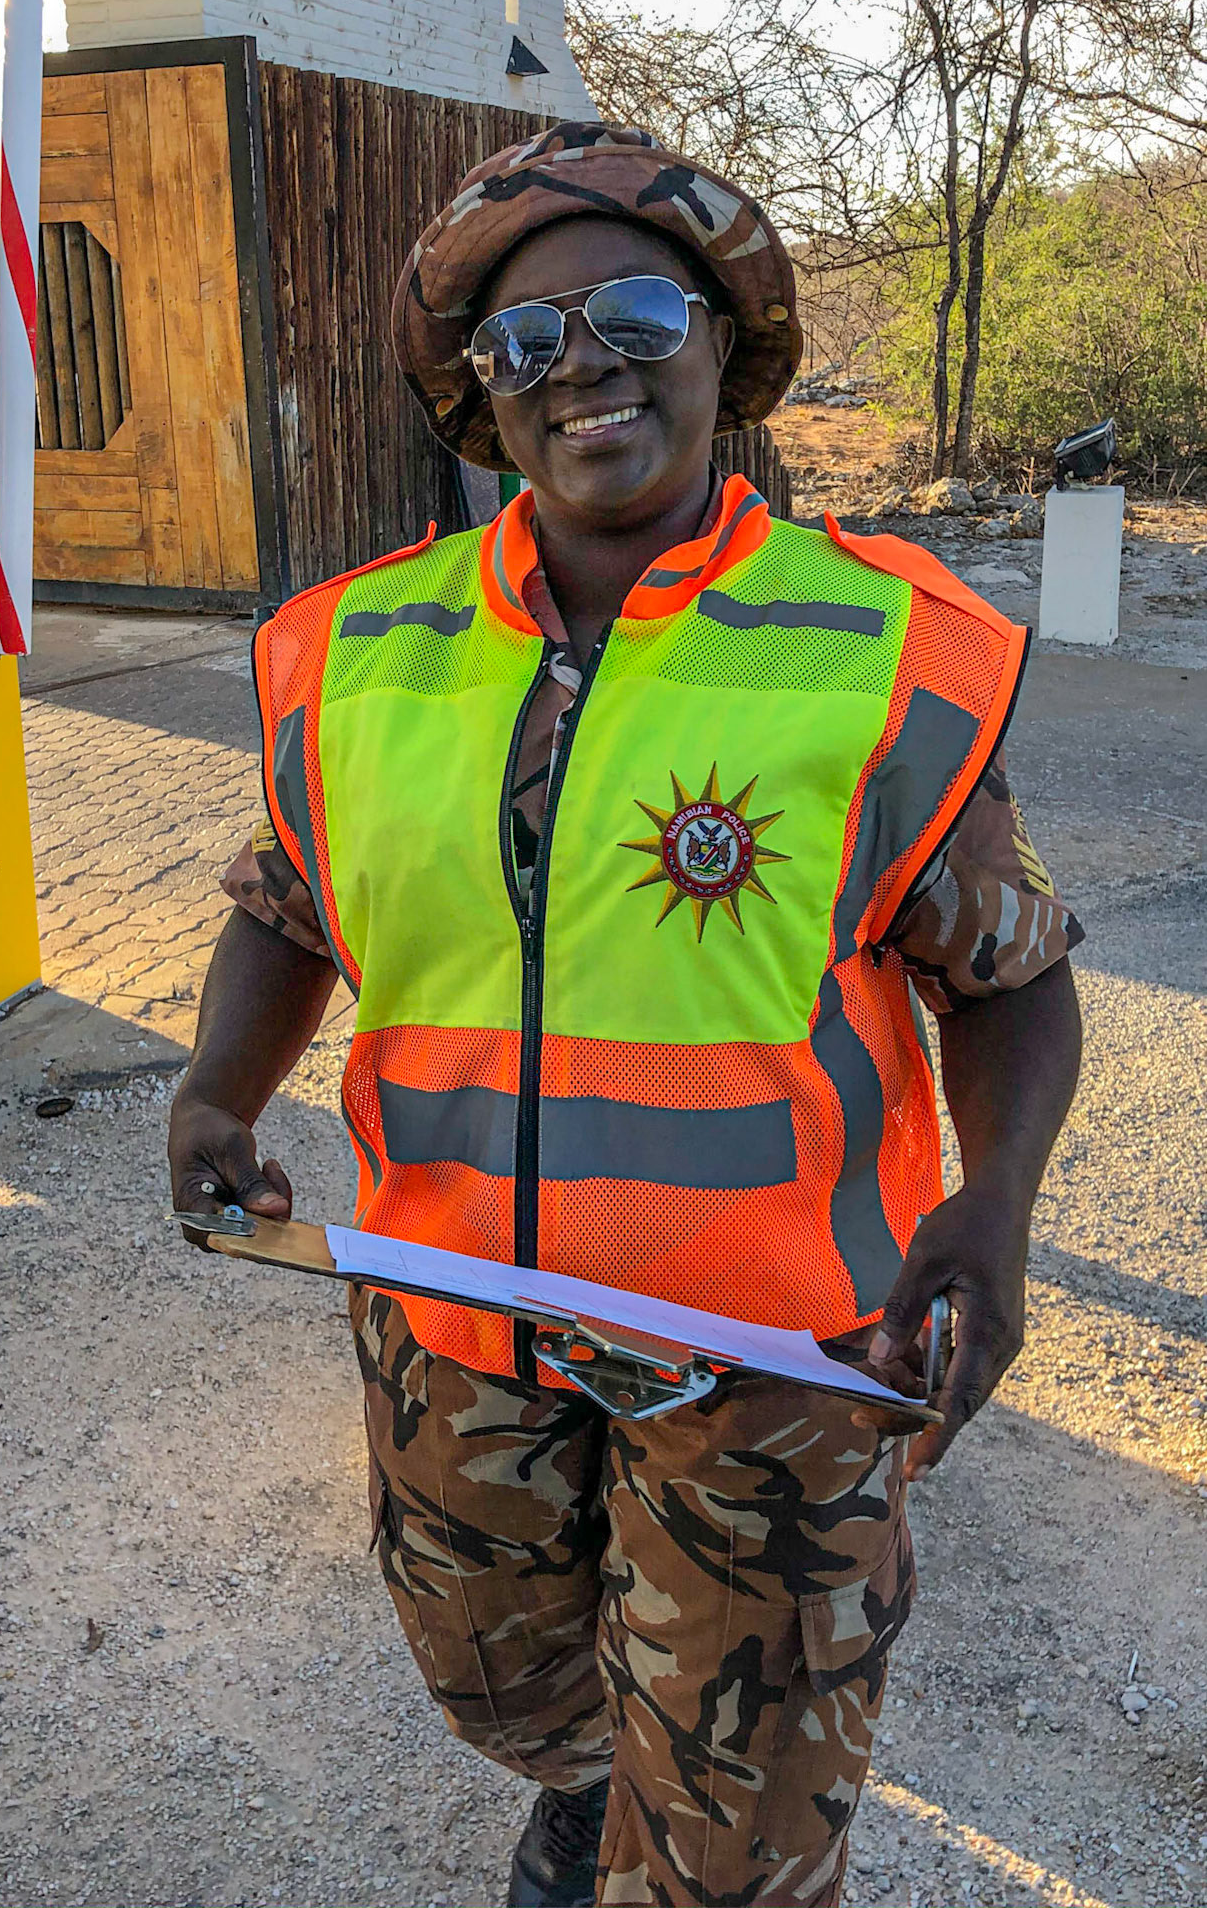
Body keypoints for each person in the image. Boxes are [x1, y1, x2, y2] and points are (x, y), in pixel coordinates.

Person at [168, 123, 1083, 1908]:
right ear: (476, 395)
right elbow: (286, 904)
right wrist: (219, 1086)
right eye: (522, 339)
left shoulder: (865, 648)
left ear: (720, 346)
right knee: (499, 1682)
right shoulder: (356, 649)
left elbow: (1012, 974)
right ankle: (590, 1779)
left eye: (632, 311)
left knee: (736, 1843)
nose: (579, 362)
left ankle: (678, 1835)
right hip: (452, 1322)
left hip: (773, 1365)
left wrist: (993, 1208)